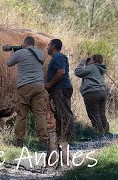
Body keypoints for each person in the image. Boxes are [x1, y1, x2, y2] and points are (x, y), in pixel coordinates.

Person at [7, 36, 49, 149]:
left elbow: (9, 63)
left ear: (25, 43)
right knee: (40, 114)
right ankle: (44, 140)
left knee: (21, 115)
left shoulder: (20, 53)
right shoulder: (40, 53)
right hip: (39, 86)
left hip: (24, 86)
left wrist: (13, 52)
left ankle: (19, 141)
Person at [45, 38, 75, 169]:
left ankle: (64, 157)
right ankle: (62, 156)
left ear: (53, 46)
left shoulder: (58, 57)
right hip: (59, 90)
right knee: (59, 118)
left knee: (63, 118)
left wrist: (50, 84)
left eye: (48, 45)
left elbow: (61, 72)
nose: (47, 47)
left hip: (60, 89)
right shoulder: (57, 57)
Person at [74, 54, 109, 135]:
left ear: (94, 60)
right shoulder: (101, 69)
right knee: (101, 113)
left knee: (94, 114)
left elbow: (78, 72)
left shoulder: (92, 67)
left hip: (92, 93)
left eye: (90, 59)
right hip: (102, 92)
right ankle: (106, 131)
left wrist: (83, 62)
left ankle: (99, 132)